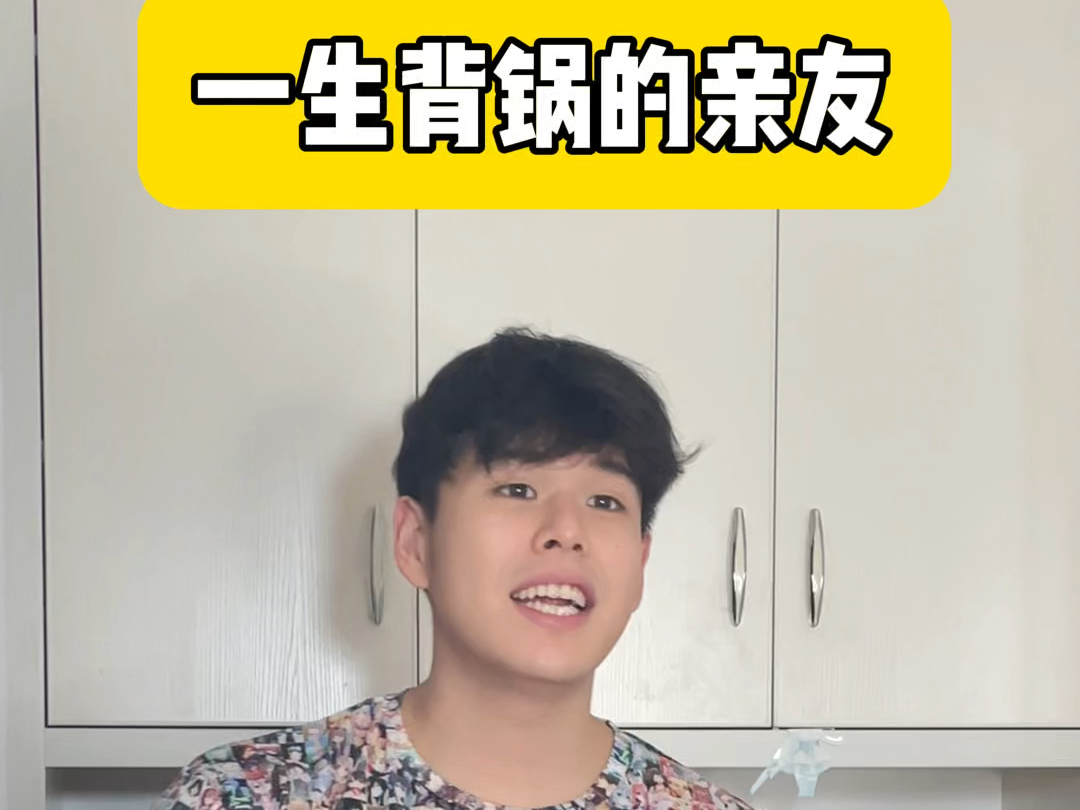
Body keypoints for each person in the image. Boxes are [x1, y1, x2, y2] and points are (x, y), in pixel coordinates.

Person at [151, 328, 756, 810]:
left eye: (605, 501)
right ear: (416, 542)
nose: (567, 531)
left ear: (640, 563)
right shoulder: (248, 794)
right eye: (518, 489)